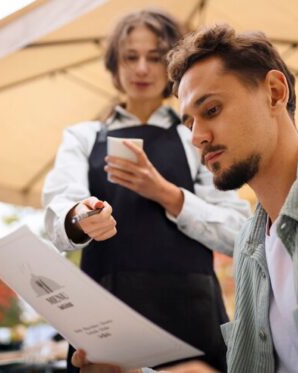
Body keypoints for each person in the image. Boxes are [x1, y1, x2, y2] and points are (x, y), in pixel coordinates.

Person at [73, 24, 298, 373]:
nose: (197, 137)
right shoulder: (250, 247)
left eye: (210, 110)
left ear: (274, 92)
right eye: (189, 123)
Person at [42, 11, 251, 372]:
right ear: (114, 65)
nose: (142, 68)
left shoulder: (196, 137)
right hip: (104, 317)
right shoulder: (83, 136)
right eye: (130, 57)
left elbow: (238, 233)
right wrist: (81, 218)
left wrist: (167, 194)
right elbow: (58, 217)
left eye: (155, 57)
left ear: (174, 66)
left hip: (191, 315)